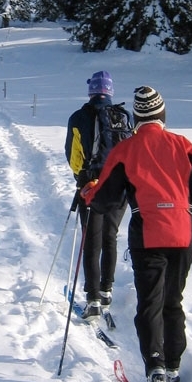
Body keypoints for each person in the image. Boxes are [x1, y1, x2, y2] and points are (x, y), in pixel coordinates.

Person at [81, 86, 192, 382]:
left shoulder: (126, 150)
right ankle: (173, 367)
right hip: (184, 231)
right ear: (162, 114)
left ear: (137, 117)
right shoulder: (183, 144)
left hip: (148, 233)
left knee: (150, 302)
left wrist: (88, 192)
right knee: (173, 299)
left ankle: (155, 367)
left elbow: (104, 201)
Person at [64, 70, 131, 320]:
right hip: (120, 186)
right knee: (110, 236)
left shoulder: (79, 117)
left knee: (92, 240)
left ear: (91, 91)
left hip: (91, 185)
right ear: (110, 91)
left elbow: (73, 154)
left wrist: (80, 177)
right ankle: (106, 290)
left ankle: (92, 299)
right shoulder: (124, 116)